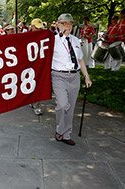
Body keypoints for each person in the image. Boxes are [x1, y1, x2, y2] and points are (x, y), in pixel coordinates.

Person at [52, 13, 92, 145]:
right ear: (58, 25)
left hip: (74, 77)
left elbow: (80, 60)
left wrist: (86, 76)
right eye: (64, 23)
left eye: (69, 23)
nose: (67, 26)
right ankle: (59, 130)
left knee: (71, 107)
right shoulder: (53, 40)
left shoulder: (75, 40)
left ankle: (66, 134)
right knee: (63, 105)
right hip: (59, 76)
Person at [29, 18, 45, 115]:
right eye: (36, 28)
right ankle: (31, 100)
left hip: (40, 64)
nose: (39, 30)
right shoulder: (27, 36)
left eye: (40, 28)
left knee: (38, 84)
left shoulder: (44, 35)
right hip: (29, 65)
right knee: (31, 83)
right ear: (32, 27)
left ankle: (36, 105)